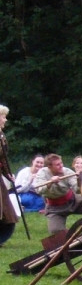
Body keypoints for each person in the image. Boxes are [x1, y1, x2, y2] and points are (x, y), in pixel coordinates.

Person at [34, 154, 82, 233]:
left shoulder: (67, 171)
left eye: (61, 163)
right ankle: (72, 238)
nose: (61, 166)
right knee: (56, 231)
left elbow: (77, 190)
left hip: (74, 201)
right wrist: (50, 183)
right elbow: (38, 190)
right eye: (58, 165)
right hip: (55, 208)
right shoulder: (42, 173)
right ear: (49, 167)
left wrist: (79, 179)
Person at [0, 104, 19, 245]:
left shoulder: (2, 136)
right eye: (3, 116)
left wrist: (8, 175)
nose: (5, 120)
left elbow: (3, 159)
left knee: (5, 207)